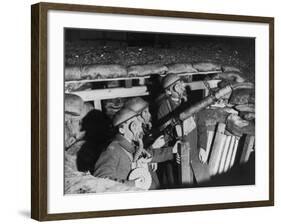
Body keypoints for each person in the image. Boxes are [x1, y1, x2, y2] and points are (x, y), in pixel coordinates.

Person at [93, 107, 178, 189]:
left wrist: (172, 150)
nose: (138, 128)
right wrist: (133, 184)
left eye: (139, 124)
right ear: (121, 130)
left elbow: (148, 154)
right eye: (133, 125)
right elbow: (101, 180)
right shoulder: (112, 150)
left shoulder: (131, 144)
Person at [156, 74, 210, 187]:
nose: (181, 86)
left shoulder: (192, 103)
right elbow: (162, 137)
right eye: (176, 85)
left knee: (203, 188)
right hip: (177, 160)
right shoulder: (163, 108)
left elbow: (202, 126)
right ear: (169, 92)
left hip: (196, 155)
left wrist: (203, 147)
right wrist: (172, 152)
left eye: (181, 83)